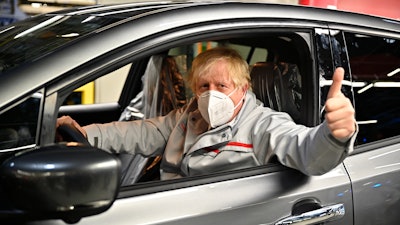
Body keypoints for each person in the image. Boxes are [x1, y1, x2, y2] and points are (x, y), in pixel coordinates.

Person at [57, 47, 357, 180]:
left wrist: (333, 135)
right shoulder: (187, 117)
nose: (211, 94)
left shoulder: (264, 125)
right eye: (204, 85)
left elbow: (306, 150)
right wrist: (88, 134)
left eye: (222, 85)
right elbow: (141, 132)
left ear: (243, 88)